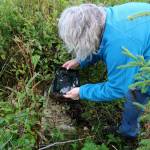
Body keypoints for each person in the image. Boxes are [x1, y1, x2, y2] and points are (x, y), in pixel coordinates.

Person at [58, 2, 150, 138]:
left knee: (137, 91)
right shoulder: (104, 17)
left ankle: (128, 133)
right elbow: (100, 40)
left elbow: (118, 88)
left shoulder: (120, 45)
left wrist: (82, 92)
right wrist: (80, 60)